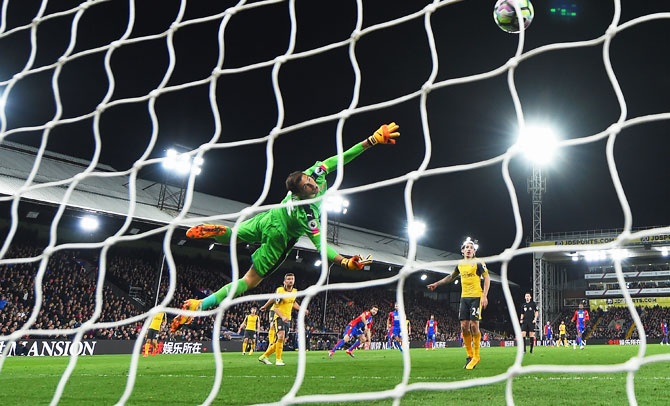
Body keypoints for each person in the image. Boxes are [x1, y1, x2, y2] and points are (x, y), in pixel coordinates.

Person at [170, 123, 399, 331]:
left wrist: (371, 140)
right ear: (299, 195)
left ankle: (221, 232)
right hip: (279, 237)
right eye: (308, 187)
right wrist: (345, 261)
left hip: (270, 217)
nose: (313, 185)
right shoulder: (306, 213)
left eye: (310, 181)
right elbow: (320, 245)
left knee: (234, 237)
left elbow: (341, 158)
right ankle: (201, 305)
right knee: (249, 281)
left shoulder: (314, 174)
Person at [427, 237, 490, 370]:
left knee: (474, 325)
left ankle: (477, 356)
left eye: (471, 248)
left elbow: (487, 278)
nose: (469, 249)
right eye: (466, 247)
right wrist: (437, 284)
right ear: (462, 250)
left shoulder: (478, 263)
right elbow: (451, 277)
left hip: (476, 297)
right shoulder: (460, 264)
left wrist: (484, 295)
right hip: (464, 298)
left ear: (474, 251)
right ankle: (469, 355)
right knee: (463, 326)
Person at [257, 273, 307, 366]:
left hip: (288, 318)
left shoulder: (295, 291)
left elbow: (293, 302)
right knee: (281, 335)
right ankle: (278, 359)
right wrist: (282, 316)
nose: (290, 280)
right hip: (279, 316)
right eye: (288, 279)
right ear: (284, 281)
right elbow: (275, 307)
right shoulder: (280, 291)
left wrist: (301, 308)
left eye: (292, 279)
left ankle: (264, 356)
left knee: (282, 340)